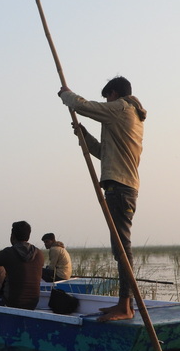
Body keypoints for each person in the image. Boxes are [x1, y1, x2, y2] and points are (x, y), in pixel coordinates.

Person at [58, 76, 146, 321]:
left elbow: (87, 106)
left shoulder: (122, 108)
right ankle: (124, 304)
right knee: (120, 248)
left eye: (108, 97)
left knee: (122, 248)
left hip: (121, 189)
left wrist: (66, 95)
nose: (107, 101)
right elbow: (103, 153)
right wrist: (83, 135)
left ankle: (125, 306)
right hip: (120, 187)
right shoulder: (125, 116)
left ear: (114, 94)